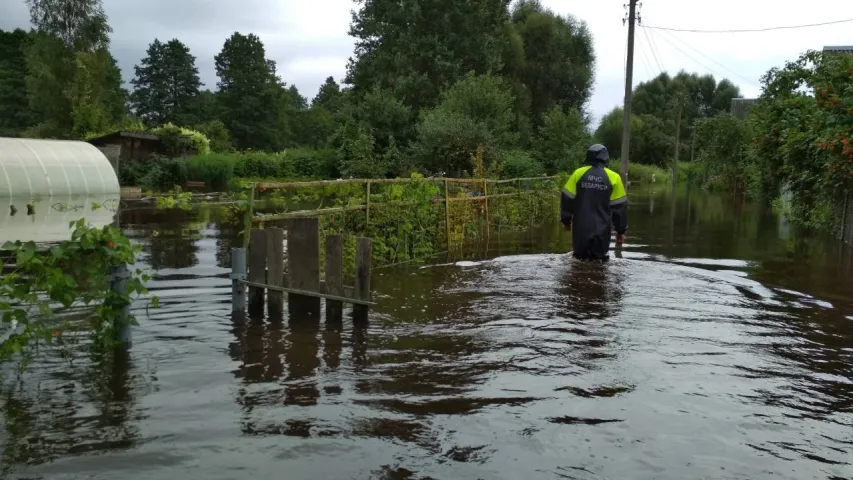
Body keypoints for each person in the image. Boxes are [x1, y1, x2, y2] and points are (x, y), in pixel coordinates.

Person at [560, 144, 628, 261]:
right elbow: (619, 207)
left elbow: (567, 198)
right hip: (602, 229)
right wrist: (620, 231)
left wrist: (566, 220)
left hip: (581, 228)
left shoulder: (578, 174)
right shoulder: (614, 178)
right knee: (600, 263)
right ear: (606, 158)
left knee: (578, 261)